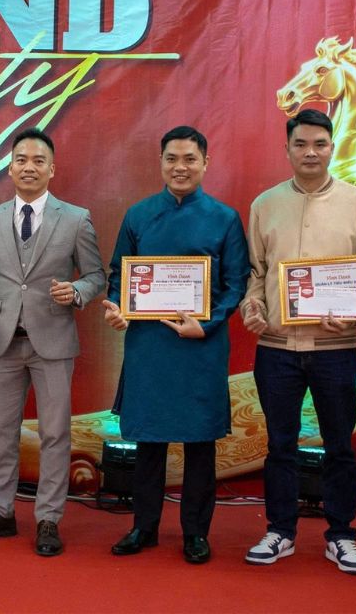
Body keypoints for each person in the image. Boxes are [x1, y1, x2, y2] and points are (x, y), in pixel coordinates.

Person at [240, 108, 356, 574]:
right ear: (287, 149)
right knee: (279, 444)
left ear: (331, 148)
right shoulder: (264, 204)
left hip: (334, 350)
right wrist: (252, 306)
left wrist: (354, 313)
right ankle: (280, 531)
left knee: (339, 445)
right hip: (277, 348)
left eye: (319, 144)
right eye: (301, 144)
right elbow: (255, 273)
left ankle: (341, 535)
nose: (310, 152)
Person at [0, 128, 106, 557]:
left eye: (39, 161)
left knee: (55, 434)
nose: (29, 167)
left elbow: (96, 275)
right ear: (10, 167)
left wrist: (77, 291)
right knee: (1, 432)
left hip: (53, 341)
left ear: (52, 169)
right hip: (3, 341)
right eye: (21, 159)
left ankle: (48, 519)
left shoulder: (75, 218)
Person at [101, 125, 249, 565]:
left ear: (205, 162)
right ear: (161, 162)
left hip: (201, 345)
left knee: (200, 443)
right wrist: (118, 307)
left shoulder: (225, 218)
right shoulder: (138, 215)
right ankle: (143, 527)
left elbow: (236, 282)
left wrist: (207, 324)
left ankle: (196, 533)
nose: (180, 167)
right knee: (149, 441)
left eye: (189, 159)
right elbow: (119, 273)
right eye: (171, 159)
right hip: (149, 346)